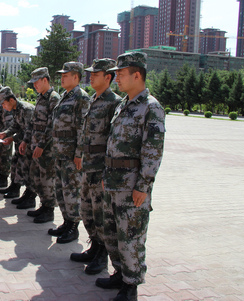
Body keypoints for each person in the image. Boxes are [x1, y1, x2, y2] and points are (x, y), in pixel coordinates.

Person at [96, 52, 166, 301]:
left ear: (137, 75)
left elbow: (153, 151)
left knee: (131, 238)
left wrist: (143, 186)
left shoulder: (152, 108)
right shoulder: (123, 105)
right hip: (113, 183)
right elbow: (111, 145)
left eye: (121, 74)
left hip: (132, 187)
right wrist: (106, 174)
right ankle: (119, 273)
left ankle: (131, 285)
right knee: (112, 233)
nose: (116, 79)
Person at [70, 59, 122, 276]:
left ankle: (102, 255)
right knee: (86, 211)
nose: (90, 77)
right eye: (90, 73)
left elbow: (113, 140)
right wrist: (80, 153)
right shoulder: (93, 100)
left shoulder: (114, 103)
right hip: (87, 167)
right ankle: (94, 247)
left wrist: (107, 172)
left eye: (95, 74)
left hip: (101, 169)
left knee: (101, 215)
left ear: (108, 77)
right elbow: (84, 133)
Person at [48, 62, 90, 244]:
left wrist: (79, 153)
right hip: (59, 153)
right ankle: (66, 222)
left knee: (72, 191)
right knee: (61, 190)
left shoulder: (81, 97)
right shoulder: (65, 96)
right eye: (62, 75)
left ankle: (74, 227)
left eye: (66, 75)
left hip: (71, 155)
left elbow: (83, 128)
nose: (62, 77)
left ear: (76, 77)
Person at [22, 67, 60, 223]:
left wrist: (42, 145)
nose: (34, 85)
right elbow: (32, 123)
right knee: (36, 177)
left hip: (47, 148)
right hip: (35, 145)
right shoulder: (40, 98)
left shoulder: (54, 98)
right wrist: (25, 140)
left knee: (47, 179)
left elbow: (52, 125)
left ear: (45, 80)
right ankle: (43, 206)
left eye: (36, 82)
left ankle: (49, 209)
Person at [0, 87, 35, 210]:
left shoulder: (26, 109)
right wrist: (5, 133)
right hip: (21, 143)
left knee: (27, 169)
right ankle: (14, 187)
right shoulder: (16, 109)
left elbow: (29, 130)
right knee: (15, 163)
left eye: (4, 103)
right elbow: (15, 126)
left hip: (29, 144)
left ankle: (30, 196)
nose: (3, 107)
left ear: (12, 100)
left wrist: (12, 138)